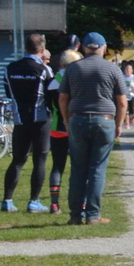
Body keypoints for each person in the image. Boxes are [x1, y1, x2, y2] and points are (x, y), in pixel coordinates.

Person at [57, 32, 127, 225]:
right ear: (103, 48)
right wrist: (118, 125)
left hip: (77, 119)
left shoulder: (72, 69)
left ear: (84, 48)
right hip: (104, 120)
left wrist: (66, 120)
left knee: (78, 168)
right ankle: (93, 214)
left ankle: (75, 215)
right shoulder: (113, 69)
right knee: (97, 168)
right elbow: (122, 102)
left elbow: (62, 97)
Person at [1, 33, 52, 213]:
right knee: (40, 159)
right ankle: (34, 201)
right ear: (42, 49)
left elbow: (8, 92)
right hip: (40, 120)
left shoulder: (10, 68)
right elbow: (52, 92)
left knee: (17, 160)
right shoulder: (44, 70)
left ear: (26, 47)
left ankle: (7, 201)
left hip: (20, 119)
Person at [44, 48, 74, 213]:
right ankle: (78, 203)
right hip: (74, 126)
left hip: (57, 127)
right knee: (78, 166)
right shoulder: (75, 79)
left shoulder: (52, 81)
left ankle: (54, 204)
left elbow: (48, 104)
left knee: (57, 166)